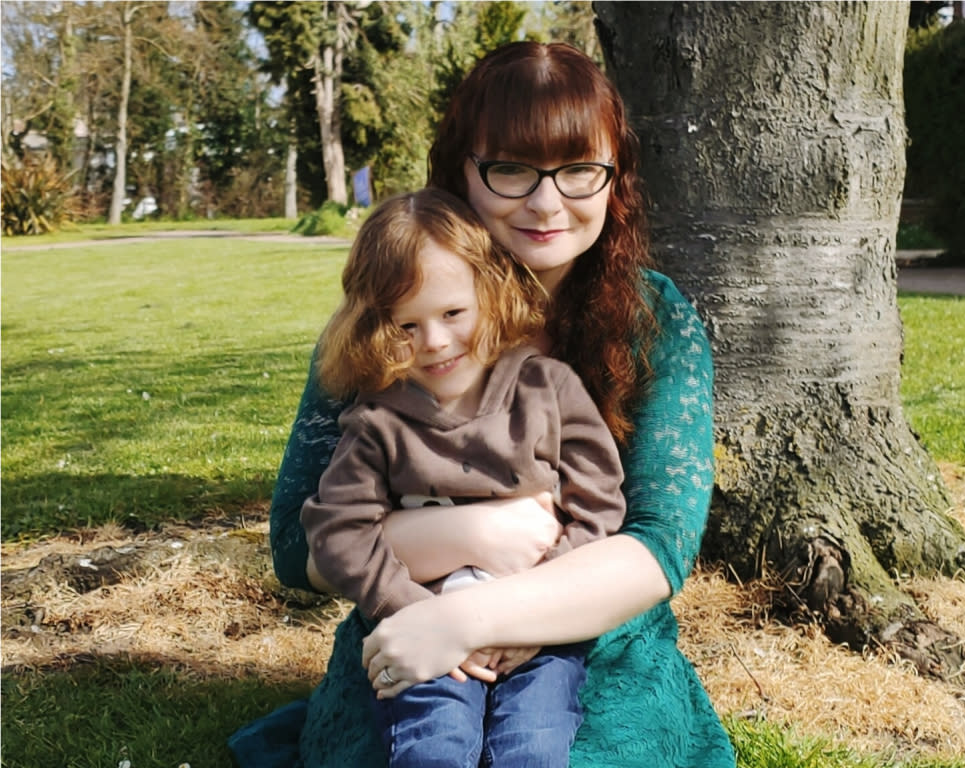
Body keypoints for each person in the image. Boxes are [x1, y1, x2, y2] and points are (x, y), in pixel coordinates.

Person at [230, 41, 736, 768]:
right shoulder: (391, 312)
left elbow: (659, 544)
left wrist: (480, 615)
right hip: (405, 619)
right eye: (511, 169)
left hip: (593, 636)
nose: (545, 201)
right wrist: (477, 536)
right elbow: (294, 539)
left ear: (614, 179)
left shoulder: (655, 320)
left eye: (578, 171)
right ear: (460, 172)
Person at [300, 187, 628, 767]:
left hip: (540, 635)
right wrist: (411, 611)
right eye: (408, 325)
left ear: (490, 294)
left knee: (533, 746)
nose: (434, 341)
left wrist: (534, 611)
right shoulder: (378, 421)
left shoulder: (547, 389)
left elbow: (599, 507)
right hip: (426, 627)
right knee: (434, 744)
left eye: (452, 313)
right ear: (376, 325)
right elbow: (339, 533)